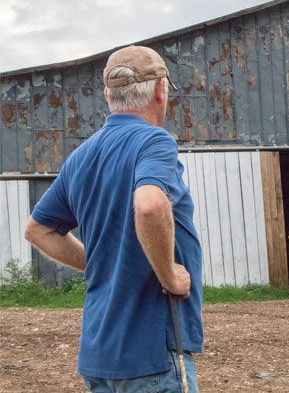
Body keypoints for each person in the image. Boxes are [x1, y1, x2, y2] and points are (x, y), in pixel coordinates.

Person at [24, 45, 203, 392]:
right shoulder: (154, 141)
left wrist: (98, 265)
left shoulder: (81, 156)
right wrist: (170, 275)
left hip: (99, 354)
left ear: (108, 94)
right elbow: (149, 206)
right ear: (160, 90)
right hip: (151, 355)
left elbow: (39, 230)